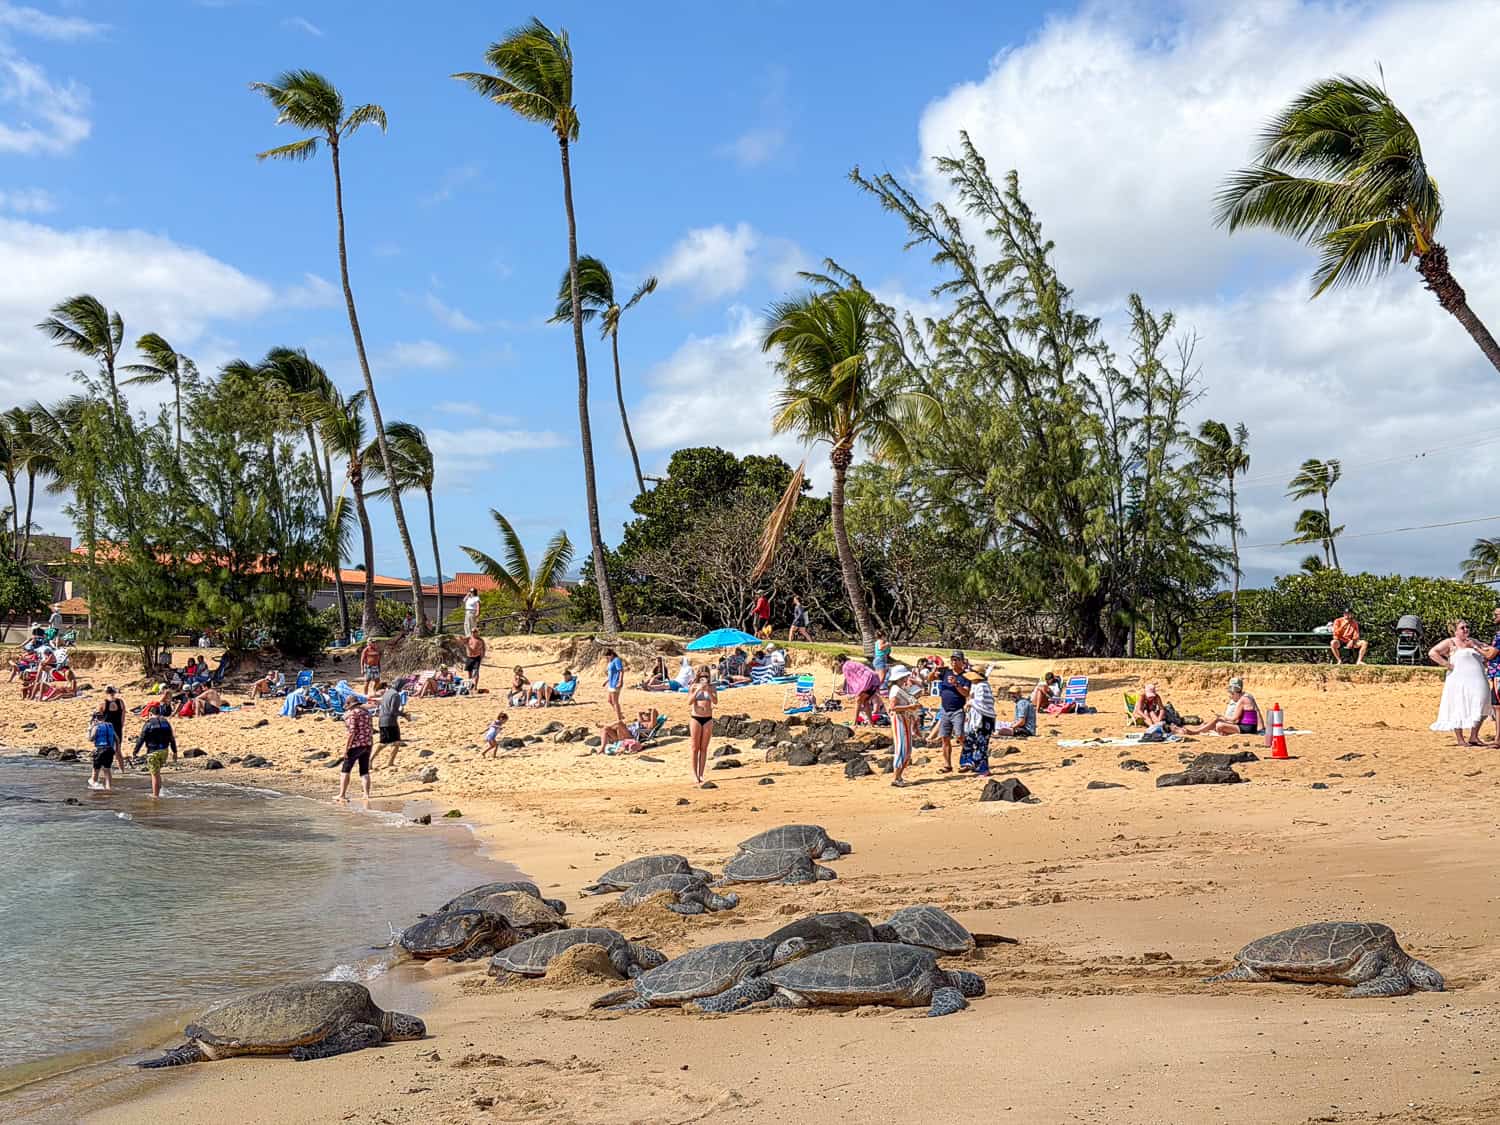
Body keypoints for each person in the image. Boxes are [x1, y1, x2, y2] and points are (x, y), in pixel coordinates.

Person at [1430, 621, 1497, 746]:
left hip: (1478, 678)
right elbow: (1433, 653)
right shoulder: (1451, 642)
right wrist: (1447, 664)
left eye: (1467, 627)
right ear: (1455, 631)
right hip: (1458, 680)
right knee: (1458, 705)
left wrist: (1479, 650)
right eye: (1462, 628)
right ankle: (1460, 738)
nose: (1466, 629)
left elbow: (1489, 651)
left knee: (1482, 702)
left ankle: (1474, 735)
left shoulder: (1473, 641)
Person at [932, 651, 972, 772]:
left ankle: (968, 760)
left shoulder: (966, 676)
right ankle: (947, 765)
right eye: (952, 660)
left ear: (962, 662)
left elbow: (966, 693)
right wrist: (934, 671)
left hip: (958, 710)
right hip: (944, 709)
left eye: (956, 660)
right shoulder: (945, 672)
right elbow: (930, 679)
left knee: (960, 736)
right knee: (945, 738)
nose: (954, 662)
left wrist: (956, 684)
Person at [1183, 677, 1262, 736]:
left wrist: (1222, 717)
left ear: (1234, 692)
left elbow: (1235, 720)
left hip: (1247, 729)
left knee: (1219, 724)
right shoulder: (1247, 696)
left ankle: (1196, 732)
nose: (1231, 697)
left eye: (1231, 694)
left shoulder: (1242, 700)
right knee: (1217, 724)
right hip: (1248, 727)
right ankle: (1199, 730)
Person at [886, 665, 921, 788]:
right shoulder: (896, 690)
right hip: (899, 720)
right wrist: (910, 708)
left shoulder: (898, 688)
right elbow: (892, 707)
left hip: (904, 720)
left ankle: (898, 776)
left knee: (905, 749)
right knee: (902, 749)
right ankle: (896, 777)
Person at [960, 664, 997, 775]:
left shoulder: (982, 686)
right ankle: (970, 763)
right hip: (976, 719)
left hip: (984, 719)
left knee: (981, 744)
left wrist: (970, 703)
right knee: (970, 740)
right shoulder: (976, 685)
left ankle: (983, 769)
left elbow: (983, 702)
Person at [133, 712, 178, 797]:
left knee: (154, 775)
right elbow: (171, 738)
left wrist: (135, 751)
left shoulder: (148, 724)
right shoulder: (166, 722)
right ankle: (160, 792)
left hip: (153, 752)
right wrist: (175, 752)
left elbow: (141, 738)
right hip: (164, 751)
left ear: (150, 714)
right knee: (157, 773)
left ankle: (155, 796)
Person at [338, 701, 375, 803]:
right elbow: (370, 729)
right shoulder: (367, 713)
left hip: (355, 745)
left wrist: (346, 749)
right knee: (364, 771)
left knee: (346, 770)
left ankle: (342, 795)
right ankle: (366, 795)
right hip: (367, 743)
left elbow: (352, 732)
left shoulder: (353, 714)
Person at [833, 653, 882, 725]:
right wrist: (843, 691)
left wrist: (843, 691)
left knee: (858, 700)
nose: (837, 666)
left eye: (837, 664)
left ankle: (854, 722)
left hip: (868, 681)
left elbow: (851, 681)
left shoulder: (845, 667)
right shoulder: (851, 663)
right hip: (874, 679)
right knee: (865, 702)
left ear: (841, 662)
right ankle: (871, 724)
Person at [688, 666, 716, 786]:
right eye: (702, 676)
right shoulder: (694, 687)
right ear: (698, 676)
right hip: (696, 717)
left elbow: (715, 701)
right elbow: (689, 702)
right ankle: (694, 774)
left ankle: (701, 774)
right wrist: (698, 690)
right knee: (695, 748)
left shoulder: (712, 687)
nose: (704, 678)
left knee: (704, 748)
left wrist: (708, 690)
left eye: (706, 676)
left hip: (708, 718)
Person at [376, 681, 406, 769]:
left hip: (382, 720)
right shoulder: (396, 695)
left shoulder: (387, 693)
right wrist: (404, 715)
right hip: (390, 721)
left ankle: (371, 760)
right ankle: (390, 762)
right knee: (396, 742)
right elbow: (393, 710)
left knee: (383, 743)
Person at [88, 708, 120, 791]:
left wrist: (89, 729)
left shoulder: (96, 726)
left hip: (100, 749)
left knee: (96, 769)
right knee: (107, 770)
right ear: (104, 718)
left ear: (96, 719)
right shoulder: (110, 725)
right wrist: (117, 749)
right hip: (110, 749)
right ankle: (108, 788)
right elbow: (116, 738)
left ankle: (94, 786)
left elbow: (91, 738)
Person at [100, 685, 126, 750]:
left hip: (107, 726)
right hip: (118, 725)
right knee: (118, 745)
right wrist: (122, 724)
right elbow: (123, 715)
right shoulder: (120, 702)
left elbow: (100, 716)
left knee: (107, 746)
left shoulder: (104, 703)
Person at [604, 647, 624, 722]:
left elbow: (621, 671)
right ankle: (619, 714)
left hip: (615, 683)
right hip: (611, 683)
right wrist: (606, 681)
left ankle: (619, 718)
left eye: (608, 656)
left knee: (615, 701)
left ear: (612, 655)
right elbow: (610, 673)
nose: (607, 657)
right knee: (609, 700)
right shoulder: (610, 662)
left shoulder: (616, 660)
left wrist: (620, 681)